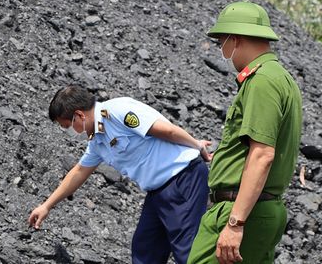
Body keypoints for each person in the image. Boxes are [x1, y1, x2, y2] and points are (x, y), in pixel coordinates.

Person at [28, 85, 212, 264]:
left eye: (67, 126)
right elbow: (79, 171)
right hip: (158, 191)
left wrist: (197, 146)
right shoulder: (97, 142)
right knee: (145, 249)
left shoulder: (118, 111)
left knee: (187, 250)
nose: (69, 132)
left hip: (183, 177)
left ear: (79, 115)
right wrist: (46, 206)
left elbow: (167, 130)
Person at [187, 1, 302, 264]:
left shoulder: (262, 81)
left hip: (242, 211)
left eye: (221, 42)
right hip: (259, 209)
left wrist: (235, 223)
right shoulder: (281, 78)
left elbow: (262, 154)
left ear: (235, 39)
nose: (222, 50)